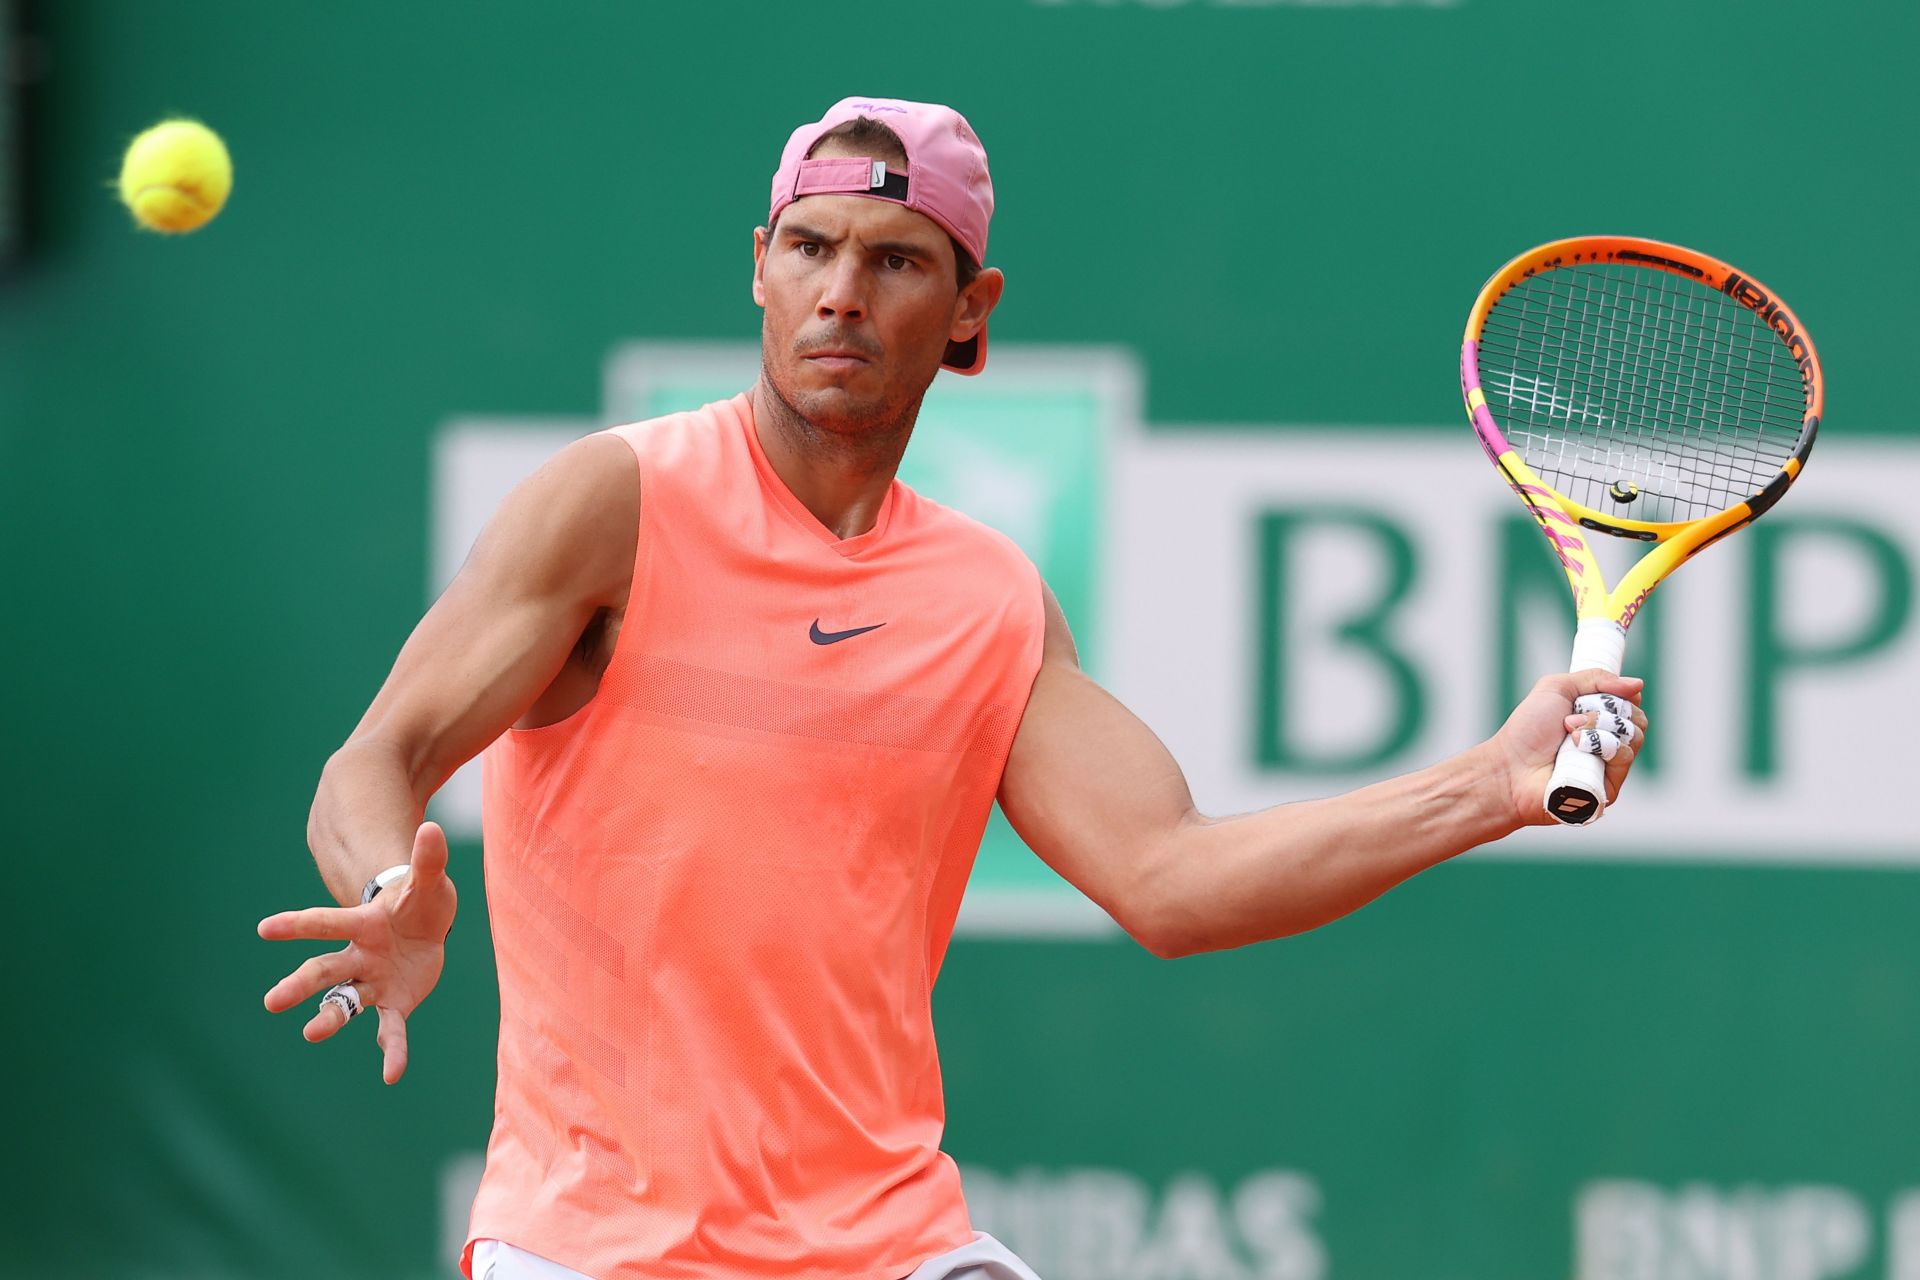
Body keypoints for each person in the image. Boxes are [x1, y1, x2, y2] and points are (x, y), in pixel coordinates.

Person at [259, 96, 1647, 1280]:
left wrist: (1493, 786)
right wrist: (395, 894)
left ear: (971, 307)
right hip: (593, 1244)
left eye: (893, 260)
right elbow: (373, 763)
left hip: (885, 1241)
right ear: (758, 267)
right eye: (807, 247)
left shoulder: (986, 600)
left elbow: (1172, 880)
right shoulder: (613, 506)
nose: (841, 293)